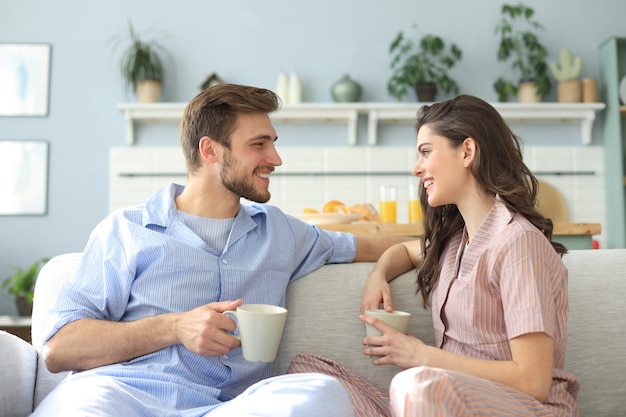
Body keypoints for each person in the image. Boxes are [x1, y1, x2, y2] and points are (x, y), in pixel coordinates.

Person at [33, 84, 411, 417]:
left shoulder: (280, 231)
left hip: (231, 407)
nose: (275, 160)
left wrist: (456, 236)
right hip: (123, 397)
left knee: (322, 393)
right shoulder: (127, 230)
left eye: (273, 143)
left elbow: (381, 244)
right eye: (258, 144)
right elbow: (59, 347)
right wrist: (174, 327)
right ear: (210, 150)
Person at [359, 95, 580, 416]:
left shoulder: (518, 244)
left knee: (414, 385)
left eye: (425, 152)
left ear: (467, 151)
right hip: (444, 402)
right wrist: (377, 275)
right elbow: (405, 250)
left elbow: (533, 381)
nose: (416, 168)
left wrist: (420, 355)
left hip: (523, 408)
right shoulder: (455, 242)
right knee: (312, 370)